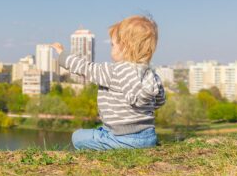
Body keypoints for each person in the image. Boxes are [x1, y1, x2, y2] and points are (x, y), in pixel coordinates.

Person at [51, 15, 166, 150]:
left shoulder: (114, 71)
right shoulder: (152, 74)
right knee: (101, 130)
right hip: (148, 138)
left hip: (121, 139)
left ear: (125, 47)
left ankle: (111, 142)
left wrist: (62, 54)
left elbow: (85, 68)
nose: (111, 48)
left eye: (113, 44)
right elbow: (159, 101)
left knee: (77, 136)